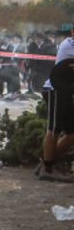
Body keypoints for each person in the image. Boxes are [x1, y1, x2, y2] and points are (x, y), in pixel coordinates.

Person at [37, 26, 74, 182]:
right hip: (55, 90)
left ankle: (46, 162)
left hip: (66, 92)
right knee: (54, 129)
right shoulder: (70, 45)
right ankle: (48, 169)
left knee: (72, 133)